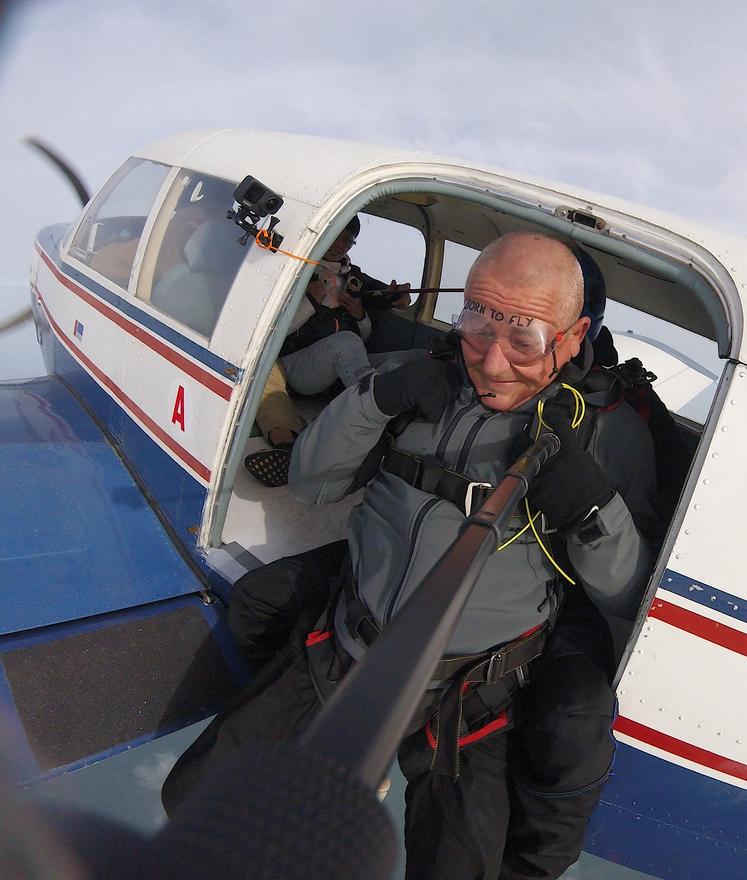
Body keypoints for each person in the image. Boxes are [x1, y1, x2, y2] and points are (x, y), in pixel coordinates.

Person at [164, 232, 659, 879]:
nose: (491, 360)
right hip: (346, 648)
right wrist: (378, 399)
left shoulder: (605, 434)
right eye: (478, 320)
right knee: (194, 803)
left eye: (524, 338)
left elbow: (626, 598)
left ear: (571, 337)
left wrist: (594, 511)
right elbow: (311, 484)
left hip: (472, 691)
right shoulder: (419, 378)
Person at [244, 215, 411, 487]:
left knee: (406, 358)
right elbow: (271, 333)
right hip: (298, 364)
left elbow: (368, 329)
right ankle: (374, 415)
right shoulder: (295, 269)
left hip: (341, 368)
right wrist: (310, 300)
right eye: (338, 236)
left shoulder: (354, 277)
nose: (342, 245)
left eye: (349, 239)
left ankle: (405, 431)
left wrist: (362, 314)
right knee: (344, 343)